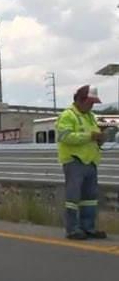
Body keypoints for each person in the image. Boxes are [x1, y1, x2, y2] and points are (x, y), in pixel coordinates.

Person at [56, 85, 107, 240]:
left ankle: (88, 228)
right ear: (80, 99)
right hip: (74, 161)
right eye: (90, 102)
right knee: (73, 198)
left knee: (90, 198)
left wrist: (100, 138)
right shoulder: (67, 115)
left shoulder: (91, 116)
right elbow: (66, 137)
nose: (92, 105)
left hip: (90, 161)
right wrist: (90, 136)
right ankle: (72, 229)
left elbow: (92, 136)